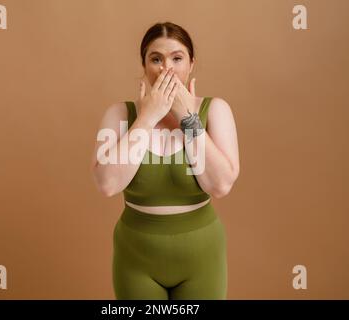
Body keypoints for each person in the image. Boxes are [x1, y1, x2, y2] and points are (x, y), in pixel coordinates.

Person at [91, 21, 240, 300]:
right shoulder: (120, 114)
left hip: (202, 256)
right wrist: (148, 116)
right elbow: (107, 184)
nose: (166, 68)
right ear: (144, 65)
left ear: (191, 64)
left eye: (177, 58)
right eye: (156, 58)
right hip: (136, 257)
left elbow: (220, 185)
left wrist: (187, 118)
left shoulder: (216, 109)